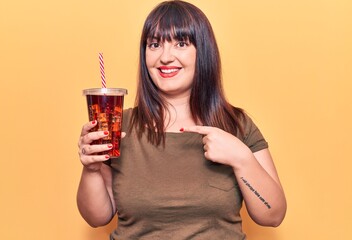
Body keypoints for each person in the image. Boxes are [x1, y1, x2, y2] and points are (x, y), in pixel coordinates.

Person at [77, 0, 287, 239]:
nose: (165, 57)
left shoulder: (236, 124)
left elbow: (272, 216)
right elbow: (97, 218)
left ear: (203, 52)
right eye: (154, 44)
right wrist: (91, 169)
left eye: (181, 43)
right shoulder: (117, 126)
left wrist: (242, 159)